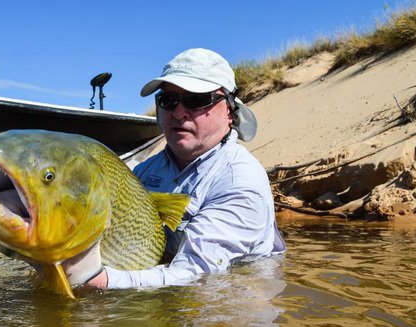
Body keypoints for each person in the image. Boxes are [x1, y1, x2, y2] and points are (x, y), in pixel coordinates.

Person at [68, 48, 286, 289]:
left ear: (230, 112)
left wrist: (98, 280)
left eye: (197, 99)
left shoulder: (240, 181)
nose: (179, 112)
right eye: (168, 100)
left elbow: (196, 275)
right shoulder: (144, 171)